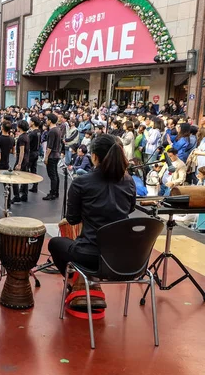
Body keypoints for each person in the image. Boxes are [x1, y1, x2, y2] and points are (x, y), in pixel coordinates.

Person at [48, 134, 136, 309]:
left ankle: (77, 285)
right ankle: (89, 283)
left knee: (55, 243)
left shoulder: (82, 183)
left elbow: (72, 219)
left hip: (91, 256)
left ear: (94, 157)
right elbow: (130, 209)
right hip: (125, 258)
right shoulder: (129, 181)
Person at [43, 113, 61, 200]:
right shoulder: (57, 130)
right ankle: (56, 192)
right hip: (56, 154)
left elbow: (49, 146)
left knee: (52, 175)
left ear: (50, 120)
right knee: (55, 175)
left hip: (52, 155)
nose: (46, 121)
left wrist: (46, 157)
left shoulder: (52, 131)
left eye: (47, 119)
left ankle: (53, 193)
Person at [12, 120, 30, 203]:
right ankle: (25, 195)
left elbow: (22, 151)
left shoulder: (22, 137)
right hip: (26, 159)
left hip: (22, 160)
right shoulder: (26, 136)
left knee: (14, 177)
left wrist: (19, 164)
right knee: (25, 177)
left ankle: (16, 195)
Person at [27, 117, 41, 193]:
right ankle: (35, 186)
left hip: (31, 153)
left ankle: (23, 188)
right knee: (33, 170)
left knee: (26, 170)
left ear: (33, 123)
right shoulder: (38, 131)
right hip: (36, 152)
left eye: (30, 121)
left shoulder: (32, 133)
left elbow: (27, 143)